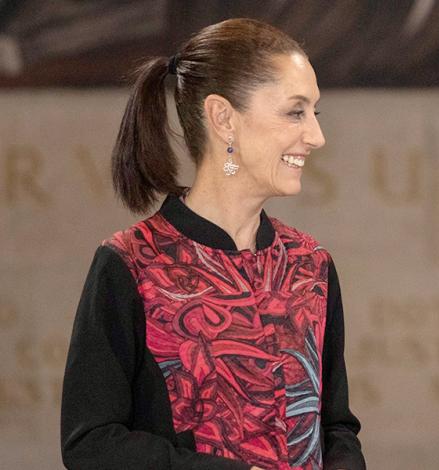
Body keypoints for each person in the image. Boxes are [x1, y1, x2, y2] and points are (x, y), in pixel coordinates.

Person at [61, 18, 365, 470]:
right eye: (295, 111)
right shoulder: (131, 264)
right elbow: (90, 443)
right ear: (223, 118)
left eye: (313, 113)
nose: (316, 136)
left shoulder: (310, 264)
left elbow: (336, 426)